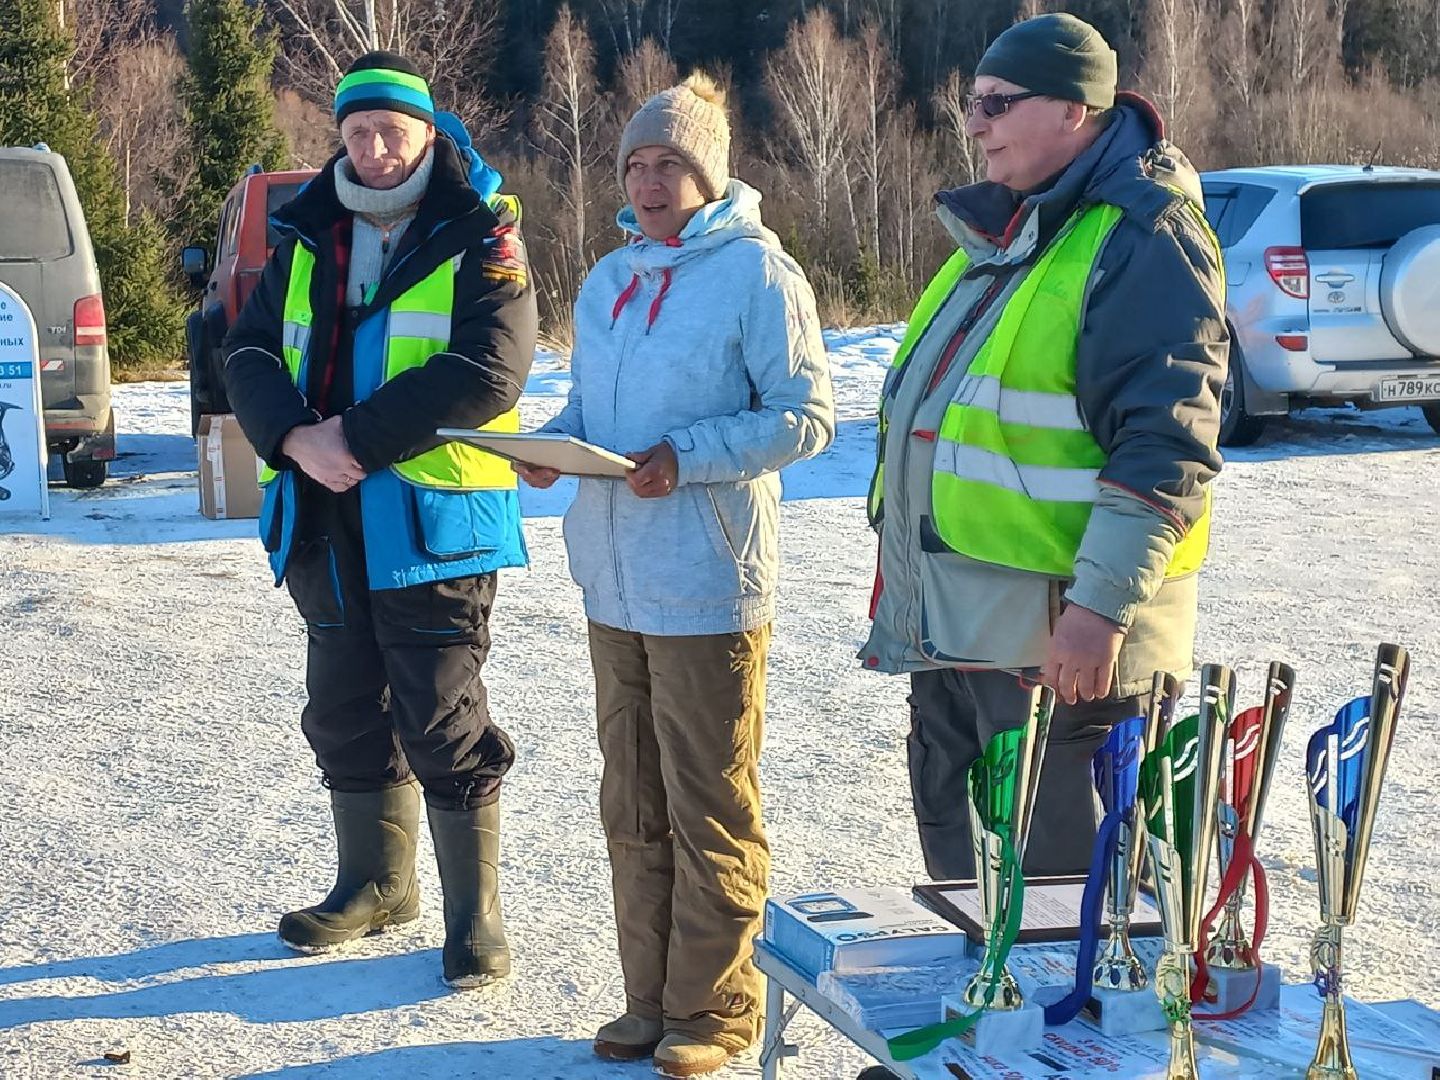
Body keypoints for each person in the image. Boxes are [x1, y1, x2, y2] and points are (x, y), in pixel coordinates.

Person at [515, 74, 834, 1078]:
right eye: (636, 166)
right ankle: (649, 999)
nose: (649, 184)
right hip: (613, 582)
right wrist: (552, 445)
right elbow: (592, 411)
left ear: (710, 175)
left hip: (705, 581)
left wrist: (685, 457)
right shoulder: (609, 278)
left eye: (670, 166)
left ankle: (718, 1007)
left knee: (709, 805)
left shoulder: (758, 274)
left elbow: (805, 417)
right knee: (633, 803)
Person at [861, 13, 1227, 883]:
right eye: (970, 104)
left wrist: (1099, 609)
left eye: (996, 103)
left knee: (1065, 912)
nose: (974, 124)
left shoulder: (1142, 237)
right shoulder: (1012, 234)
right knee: (973, 900)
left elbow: (1165, 447)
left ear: (1073, 110)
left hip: (1064, 656)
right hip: (964, 640)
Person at [222, 51, 537, 990]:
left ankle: (475, 918)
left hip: (432, 514)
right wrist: (294, 439)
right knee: (343, 708)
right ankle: (375, 885)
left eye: (391, 130)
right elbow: (247, 349)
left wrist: (352, 438)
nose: (373, 147)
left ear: (427, 133)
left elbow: (490, 367)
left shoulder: (481, 228)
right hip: (322, 511)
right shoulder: (307, 230)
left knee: (441, 713)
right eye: (356, 131)